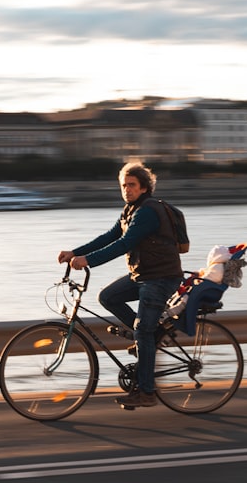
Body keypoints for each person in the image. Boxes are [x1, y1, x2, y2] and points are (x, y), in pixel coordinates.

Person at [57, 162, 183, 408]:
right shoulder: (130, 210)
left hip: (160, 277)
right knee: (108, 297)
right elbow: (109, 237)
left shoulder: (147, 211)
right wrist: (75, 251)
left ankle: (147, 392)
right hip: (143, 275)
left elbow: (123, 244)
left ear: (145, 187)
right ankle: (153, 335)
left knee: (142, 331)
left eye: (132, 185)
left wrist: (87, 260)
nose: (127, 189)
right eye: (124, 185)